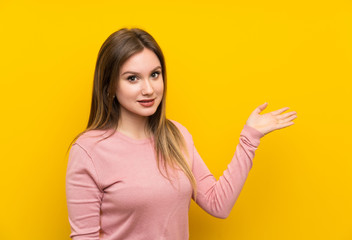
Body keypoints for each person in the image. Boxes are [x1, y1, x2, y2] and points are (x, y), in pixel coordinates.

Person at [65, 27, 297, 240]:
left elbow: (218, 204)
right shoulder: (88, 151)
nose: (149, 89)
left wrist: (250, 138)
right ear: (109, 87)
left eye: (155, 74)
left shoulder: (177, 136)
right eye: (132, 78)